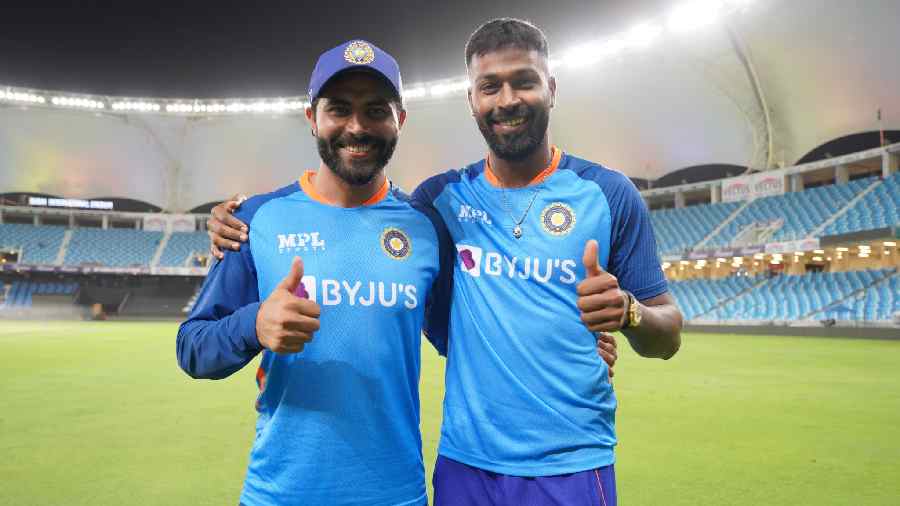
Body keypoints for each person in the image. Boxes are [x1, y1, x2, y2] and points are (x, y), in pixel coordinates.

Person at [207, 19, 680, 505]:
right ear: (472, 100)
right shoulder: (440, 202)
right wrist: (233, 224)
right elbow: (430, 306)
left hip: (570, 462)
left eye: (525, 81)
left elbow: (668, 333)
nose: (507, 99)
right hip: (464, 467)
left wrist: (628, 313)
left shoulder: (607, 194)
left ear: (551, 89)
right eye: (490, 86)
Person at [177, 40, 455, 506]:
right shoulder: (256, 219)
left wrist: (571, 342)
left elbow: (466, 341)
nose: (357, 126)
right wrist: (254, 325)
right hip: (281, 493)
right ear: (312, 118)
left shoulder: (425, 227)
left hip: (394, 494)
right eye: (339, 109)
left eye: (376, 110)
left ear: (399, 121)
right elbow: (193, 347)